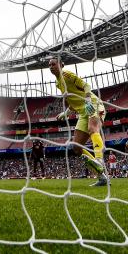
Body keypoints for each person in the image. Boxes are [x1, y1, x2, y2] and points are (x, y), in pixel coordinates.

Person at [49, 58, 109, 186]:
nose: (51, 66)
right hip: (83, 112)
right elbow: (73, 101)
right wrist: (65, 113)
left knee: (93, 128)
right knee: (76, 147)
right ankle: (102, 177)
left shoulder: (67, 75)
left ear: (61, 64)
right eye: (49, 65)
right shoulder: (58, 83)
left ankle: (99, 160)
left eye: (54, 64)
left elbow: (86, 86)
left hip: (93, 104)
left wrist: (87, 99)